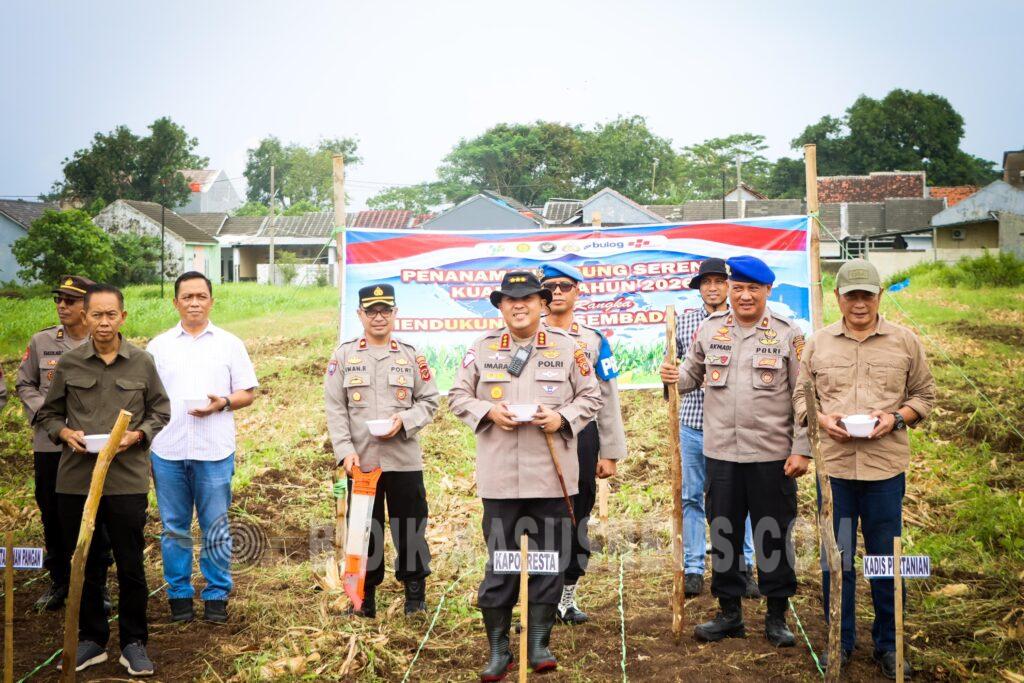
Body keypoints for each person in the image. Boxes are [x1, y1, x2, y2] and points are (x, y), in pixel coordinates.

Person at [449, 270, 602, 680]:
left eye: (528, 299)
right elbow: (458, 396)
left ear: (542, 305)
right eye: (510, 300)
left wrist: (561, 417)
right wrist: (487, 411)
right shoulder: (481, 349)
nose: (519, 307)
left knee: (549, 563)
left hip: (551, 478)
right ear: (501, 307)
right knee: (500, 565)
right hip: (500, 480)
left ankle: (538, 644)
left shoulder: (569, 348)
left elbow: (592, 396)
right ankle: (499, 651)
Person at [793, 259, 935, 679]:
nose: (859, 303)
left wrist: (895, 418)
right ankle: (840, 641)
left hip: (884, 471)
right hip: (834, 472)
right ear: (838, 297)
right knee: (836, 560)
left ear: (879, 296)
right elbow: (801, 398)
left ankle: (889, 645)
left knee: (886, 559)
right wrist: (821, 420)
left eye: (867, 295)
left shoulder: (905, 341)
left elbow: (925, 396)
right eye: (851, 295)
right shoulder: (818, 343)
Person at [660, 255, 809, 648]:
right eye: (738, 288)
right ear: (729, 289)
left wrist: (802, 449)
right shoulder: (711, 330)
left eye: (752, 289)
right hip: (722, 453)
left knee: (773, 535)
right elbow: (690, 376)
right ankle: (730, 614)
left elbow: (803, 396)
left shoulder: (787, 333)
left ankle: (776, 617)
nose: (744, 296)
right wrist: (673, 375)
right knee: (724, 532)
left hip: (771, 455)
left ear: (767, 291)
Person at [36, 283, 170, 676]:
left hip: (125, 479)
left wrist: (138, 434)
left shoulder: (142, 362)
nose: (104, 322)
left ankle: (133, 643)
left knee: (130, 563)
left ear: (122, 317)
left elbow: (160, 410)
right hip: (77, 479)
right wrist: (65, 433)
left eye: (112, 314)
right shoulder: (70, 363)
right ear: (86, 317)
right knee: (85, 561)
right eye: (97, 314)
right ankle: (92, 639)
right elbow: (49, 414)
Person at [147, 272, 258, 625]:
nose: (194, 303)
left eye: (201, 296)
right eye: (187, 297)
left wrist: (222, 402)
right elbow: (145, 397)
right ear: (175, 302)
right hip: (168, 448)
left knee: (215, 526)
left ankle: (216, 595)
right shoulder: (158, 347)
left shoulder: (229, 344)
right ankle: (179, 595)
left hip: (214, 450)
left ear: (211, 301)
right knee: (174, 527)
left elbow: (247, 393)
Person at [324, 283, 439, 617]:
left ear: (394, 313)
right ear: (360, 314)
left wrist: (404, 421)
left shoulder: (411, 355)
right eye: (371, 311)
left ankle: (415, 598)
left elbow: (429, 401)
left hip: (403, 459)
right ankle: (365, 599)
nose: (378, 317)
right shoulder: (344, 356)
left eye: (384, 310)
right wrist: (345, 451)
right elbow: (335, 408)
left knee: (411, 527)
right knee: (365, 531)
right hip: (362, 462)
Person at [15, 275, 114, 612]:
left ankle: (97, 585)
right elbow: (25, 383)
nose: (61, 305)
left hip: (90, 446)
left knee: (95, 514)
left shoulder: (103, 342)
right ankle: (59, 581)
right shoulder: (42, 341)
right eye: (58, 299)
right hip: (51, 445)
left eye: (70, 301)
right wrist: (50, 417)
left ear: (87, 306)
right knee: (53, 513)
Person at [538, 263, 627, 624]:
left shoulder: (593, 340)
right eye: (550, 287)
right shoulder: (525, 335)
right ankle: (540, 599)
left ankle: (566, 597)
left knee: (577, 514)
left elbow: (608, 396)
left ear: (578, 291)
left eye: (564, 286)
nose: (557, 292)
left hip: (581, 438)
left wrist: (610, 452)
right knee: (539, 516)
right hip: (537, 438)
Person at [672, 259, 759, 599]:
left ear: (729, 286)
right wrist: (679, 375)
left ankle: (745, 566)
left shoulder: (744, 320)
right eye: (705, 282)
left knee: (741, 499)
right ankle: (694, 568)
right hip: (694, 422)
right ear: (699, 288)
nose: (712, 288)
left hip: (733, 427)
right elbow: (676, 370)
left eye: (718, 281)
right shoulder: (684, 323)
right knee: (691, 496)